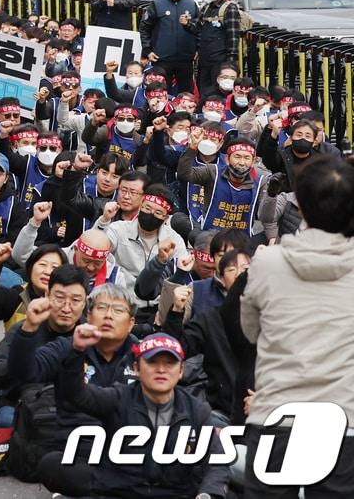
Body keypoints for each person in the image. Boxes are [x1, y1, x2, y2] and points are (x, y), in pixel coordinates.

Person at [241, 155, 354, 498]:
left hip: (277, 413)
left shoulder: (267, 262)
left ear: (300, 207)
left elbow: (251, 331)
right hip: (345, 419)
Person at [54, 330, 229, 498]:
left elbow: (218, 460)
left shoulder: (198, 410)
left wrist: (207, 494)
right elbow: (76, 394)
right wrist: (77, 352)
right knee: (53, 465)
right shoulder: (117, 398)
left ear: (181, 370)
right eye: (152, 362)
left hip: (175, 493)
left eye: (170, 363)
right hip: (120, 493)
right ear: (137, 368)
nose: (161, 369)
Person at [141, 0, 199, 95]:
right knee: (161, 91)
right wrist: (147, 51)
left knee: (186, 92)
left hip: (185, 59)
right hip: (162, 58)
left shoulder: (192, 5)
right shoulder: (156, 5)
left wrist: (198, 49)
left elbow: (199, 29)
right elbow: (145, 28)